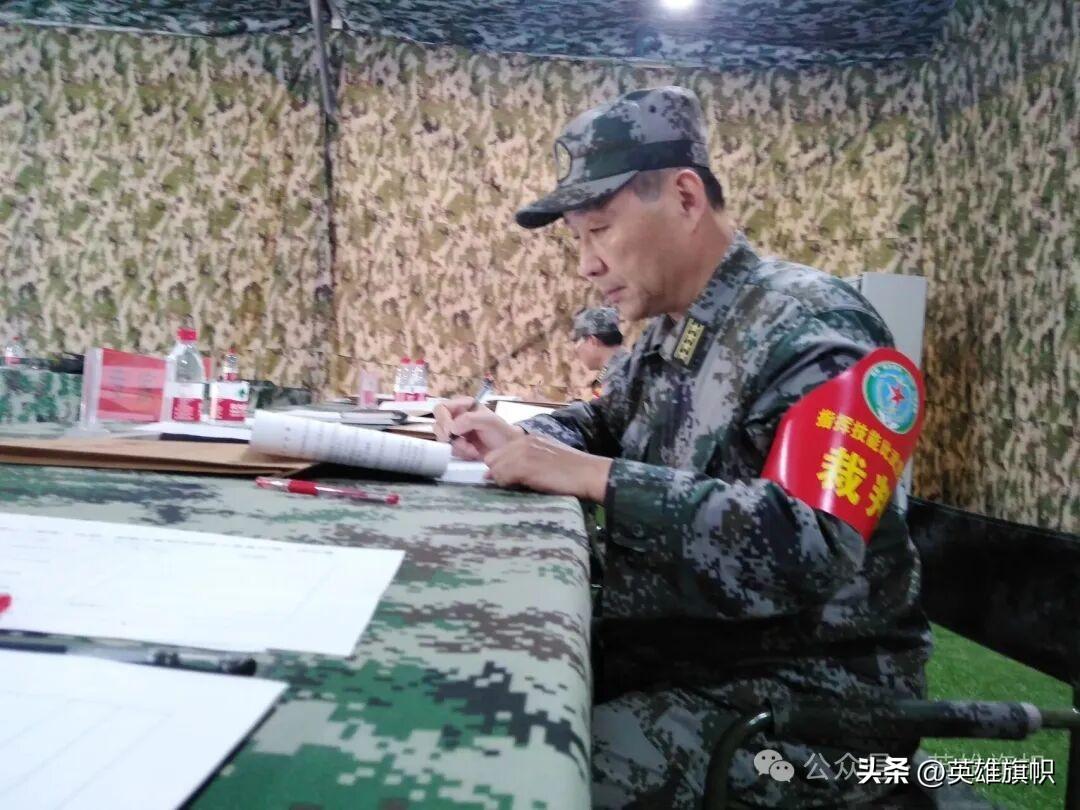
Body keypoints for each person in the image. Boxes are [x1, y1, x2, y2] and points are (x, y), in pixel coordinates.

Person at [434, 86, 931, 808]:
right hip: (686, 656)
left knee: (501, 777)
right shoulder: (677, 326)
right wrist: (523, 441)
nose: (586, 265)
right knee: (470, 690)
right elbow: (603, 423)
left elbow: (815, 543)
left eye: (599, 230)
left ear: (686, 198)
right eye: (578, 240)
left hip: (804, 706)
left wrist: (598, 477)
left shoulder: (818, 328)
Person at [571, 306, 628, 397]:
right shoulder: (612, 370)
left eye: (577, 343)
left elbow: (603, 404)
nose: (576, 351)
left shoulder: (617, 376)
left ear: (593, 341)